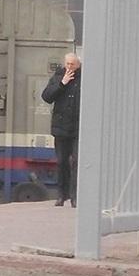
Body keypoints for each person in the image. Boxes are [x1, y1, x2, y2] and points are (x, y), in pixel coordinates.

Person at [41, 53, 81, 207]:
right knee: (61, 161)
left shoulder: (83, 78)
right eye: (68, 64)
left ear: (78, 65)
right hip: (61, 127)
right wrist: (62, 84)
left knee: (76, 162)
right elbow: (46, 96)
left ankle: (74, 196)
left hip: (77, 127)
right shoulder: (59, 76)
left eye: (73, 64)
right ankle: (61, 195)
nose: (70, 67)